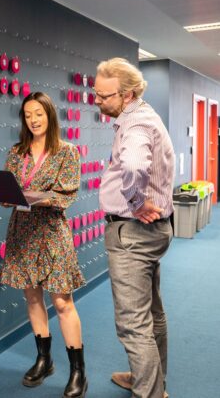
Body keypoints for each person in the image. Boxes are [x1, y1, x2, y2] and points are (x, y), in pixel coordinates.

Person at [94, 57, 174, 398]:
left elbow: (133, 164)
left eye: (104, 96)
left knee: (133, 323)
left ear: (127, 96)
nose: (97, 101)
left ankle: (150, 392)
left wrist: (134, 201)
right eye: (95, 93)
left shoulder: (137, 124)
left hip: (133, 234)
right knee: (151, 313)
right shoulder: (144, 116)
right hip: (152, 232)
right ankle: (152, 381)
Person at [2, 92, 87, 398]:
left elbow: (65, 195)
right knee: (32, 297)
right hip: (22, 231)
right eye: (27, 115)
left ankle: (78, 371)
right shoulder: (17, 152)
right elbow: (7, 190)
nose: (34, 120)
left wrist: (33, 196)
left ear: (50, 115)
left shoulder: (67, 152)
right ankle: (44, 359)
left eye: (39, 113)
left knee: (63, 302)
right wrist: (4, 193)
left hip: (51, 232)